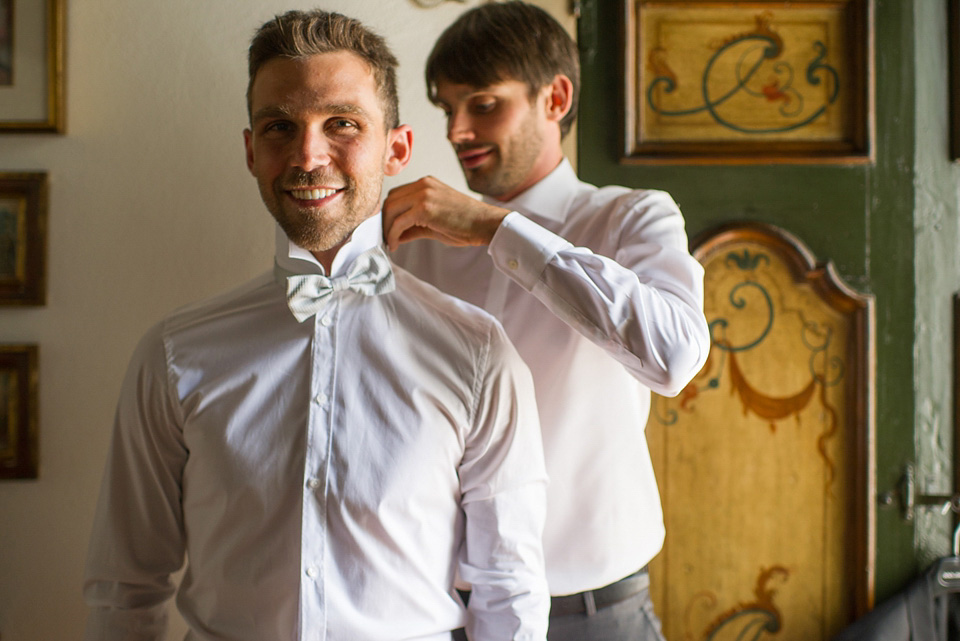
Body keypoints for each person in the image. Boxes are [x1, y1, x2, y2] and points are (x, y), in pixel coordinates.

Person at [83, 9, 550, 641]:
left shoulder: (476, 353)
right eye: (280, 126)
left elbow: (510, 591)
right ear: (252, 151)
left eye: (342, 125)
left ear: (397, 149)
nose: (308, 155)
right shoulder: (172, 356)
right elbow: (125, 587)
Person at [383, 2, 711, 639]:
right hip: (440, 607)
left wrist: (497, 229)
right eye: (448, 108)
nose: (456, 131)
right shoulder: (414, 244)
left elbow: (673, 357)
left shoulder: (632, 219)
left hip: (595, 613)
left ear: (555, 98)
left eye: (482, 103)